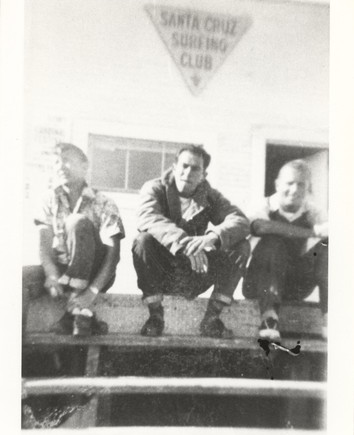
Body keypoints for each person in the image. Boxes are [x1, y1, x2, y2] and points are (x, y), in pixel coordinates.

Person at [132, 144, 250, 338]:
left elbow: (240, 221)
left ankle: (212, 318)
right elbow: (148, 218)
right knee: (143, 241)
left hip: (195, 272)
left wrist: (212, 237)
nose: (188, 172)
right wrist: (186, 245)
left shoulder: (210, 196)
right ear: (174, 167)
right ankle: (155, 316)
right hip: (164, 271)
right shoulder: (154, 188)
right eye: (184, 166)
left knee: (240, 245)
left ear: (203, 174)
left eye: (195, 168)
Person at [33, 142, 125, 336]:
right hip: (60, 271)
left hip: (96, 274)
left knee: (77, 222)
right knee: (20, 278)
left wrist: (91, 292)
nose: (60, 166)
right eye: (56, 162)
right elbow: (44, 245)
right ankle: (82, 318)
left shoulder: (104, 202)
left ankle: (71, 312)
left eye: (66, 161)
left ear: (85, 166)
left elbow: (113, 256)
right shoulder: (49, 199)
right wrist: (50, 273)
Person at [242, 159, 328, 341]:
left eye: (301, 184)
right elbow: (262, 227)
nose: (295, 190)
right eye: (289, 183)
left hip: (294, 284)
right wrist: (312, 231)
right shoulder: (262, 205)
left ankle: (330, 317)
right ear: (277, 184)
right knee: (273, 240)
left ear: (308, 188)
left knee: (328, 249)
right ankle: (269, 319)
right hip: (259, 282)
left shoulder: (312, 211)